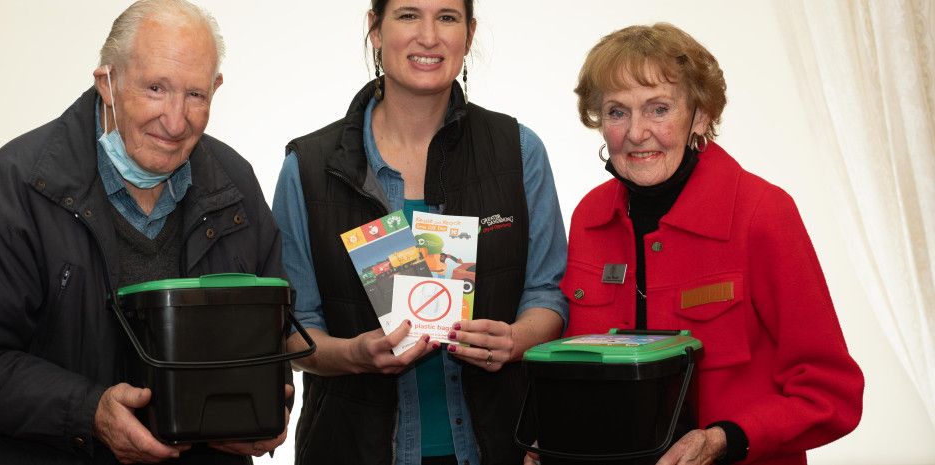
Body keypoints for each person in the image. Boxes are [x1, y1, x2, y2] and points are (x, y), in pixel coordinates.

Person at [0, 1, 292, 463]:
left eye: (196, 95)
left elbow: (274, 340)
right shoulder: (15, 187)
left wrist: (267, 411)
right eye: (156, 88)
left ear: (216, 89)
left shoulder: (235, 185)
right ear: (107, 83)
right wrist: (89, 414)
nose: (176, 119)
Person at [272, 0, 568, 463]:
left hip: (497, 448)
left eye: (447, 17)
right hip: (351, 449)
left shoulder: (520, 151)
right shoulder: (307, 168)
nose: (429, 36)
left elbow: (547, 294)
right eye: (408, 15)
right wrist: (354, 354)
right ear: (375, 29)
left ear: (468, 35)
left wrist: (515, 341)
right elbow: (295, 332)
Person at [560, 23, 864, 465]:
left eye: (659, 109)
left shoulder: (763, 213)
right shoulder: (590, 216)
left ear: (699, 116)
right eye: (617, 112)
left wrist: (726, 438)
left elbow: (831, 392)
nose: (637, 132)